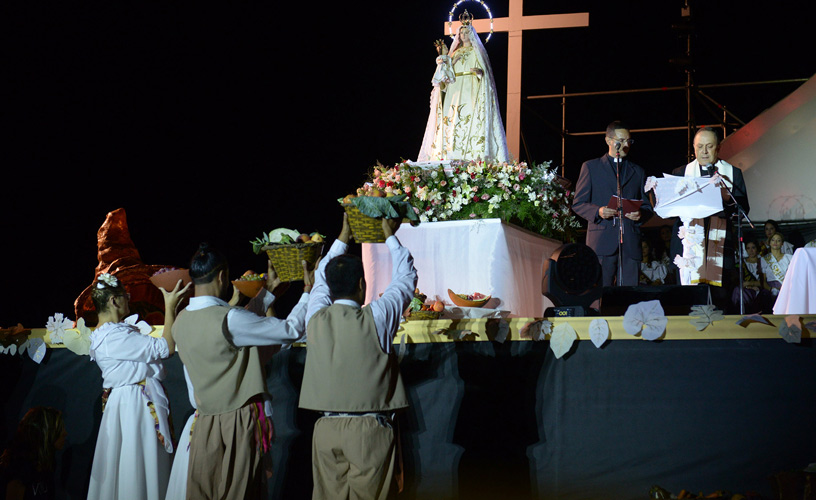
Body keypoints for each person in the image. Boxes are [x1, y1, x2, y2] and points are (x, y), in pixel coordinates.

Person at [171, 243, 312, 500]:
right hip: (237, 420)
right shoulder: (229, 319)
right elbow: (290, 330)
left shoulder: (180, 322)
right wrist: (307, 293)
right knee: (241, 491)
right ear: (222, 276)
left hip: (204, 423)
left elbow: (237, 326)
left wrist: (267, 294)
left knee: (205, 492)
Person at [300, 214, 417, 500]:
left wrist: (343, 236)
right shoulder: (377, 316)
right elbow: (406, 278)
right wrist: (389, 236)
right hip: (367, 430)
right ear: (362, 285)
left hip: (325, 429)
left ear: (329, 287)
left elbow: (320, 279)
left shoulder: (314, 316)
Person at [86, 273, 190, 500]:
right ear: (113, 301)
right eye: (125, 295)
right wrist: (169, 307)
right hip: (135, 403)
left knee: (134, 462)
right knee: (138, 462)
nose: (129, 300)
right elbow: (165, 348)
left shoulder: (108, 334)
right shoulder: (114, 336)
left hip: (127, 401)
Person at [417, 11, 509, 163]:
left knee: (469, 117)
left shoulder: (477, 52)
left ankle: (472, 155)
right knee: (452, 119)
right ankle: (451, 153)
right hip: (455, 89)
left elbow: (485, 75)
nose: (464, 35)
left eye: (466, 32)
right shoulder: (454, 53)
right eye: (461, 33)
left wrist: (479, 73)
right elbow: (445, 76)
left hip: (471, 88)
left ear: (471, 34)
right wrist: (449, 60)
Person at [572, 121, 653, 287]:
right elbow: (578, 203)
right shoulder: (591, 167)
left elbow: (647, 207)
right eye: (620, 141)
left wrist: (640, 214)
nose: (625, 145)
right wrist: (598, 211)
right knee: (601, 291)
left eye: (628, 141)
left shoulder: (638, 172)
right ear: (608, 140)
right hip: (602, 240)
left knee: (630, 295)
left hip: (630, 242)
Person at [669, 127, 750, 290]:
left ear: (718, 148)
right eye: (700, 146)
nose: (704, 151)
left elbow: (743, 209)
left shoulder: (732, 173)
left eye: (709, 146)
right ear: (694, 148)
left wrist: (724, 201)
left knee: (719, 295)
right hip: (689, 242)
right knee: (689, 294)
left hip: (720, 240)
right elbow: (671, 211)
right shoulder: (681, 173)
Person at [0, 407, 66, 500]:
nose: (65, 433)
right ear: (45, 432)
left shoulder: (46, 466)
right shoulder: (20, 469)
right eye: (59, 428)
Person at [730, 238, 772, 314]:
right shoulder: (742, 263)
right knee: (738, 291)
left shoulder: (763, 261)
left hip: (761, 290)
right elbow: (737, 280)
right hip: (746, 290)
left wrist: (750, 283)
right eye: (748, 248)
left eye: (753, 248)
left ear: (757, 248)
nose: (751, 250)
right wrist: (748, 286)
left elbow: (766, 281)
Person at [761, 232, 792, 304]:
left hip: (785, 288)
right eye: (773, 240)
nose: (775, 242)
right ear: (769, 243)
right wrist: (771, 289)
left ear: (782, 244)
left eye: (778, 240)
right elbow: (763, 280)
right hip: (770, 289)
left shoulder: (789, 258)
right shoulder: (764, 259)